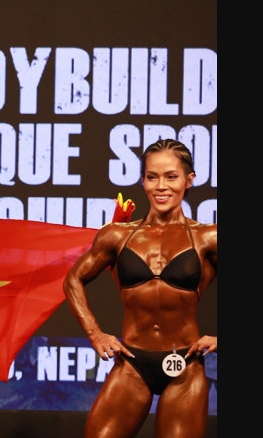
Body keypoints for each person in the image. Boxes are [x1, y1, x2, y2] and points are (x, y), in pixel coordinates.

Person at [63, 139, 217, 438]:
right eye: (152, 177)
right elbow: (73, 279)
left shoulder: (207, 237)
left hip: (185, 368)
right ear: (143, 180)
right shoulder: (117, 235)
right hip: (132, 365)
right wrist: (95, 333)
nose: (161, 186)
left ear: (188, 180)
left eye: (171, 176)